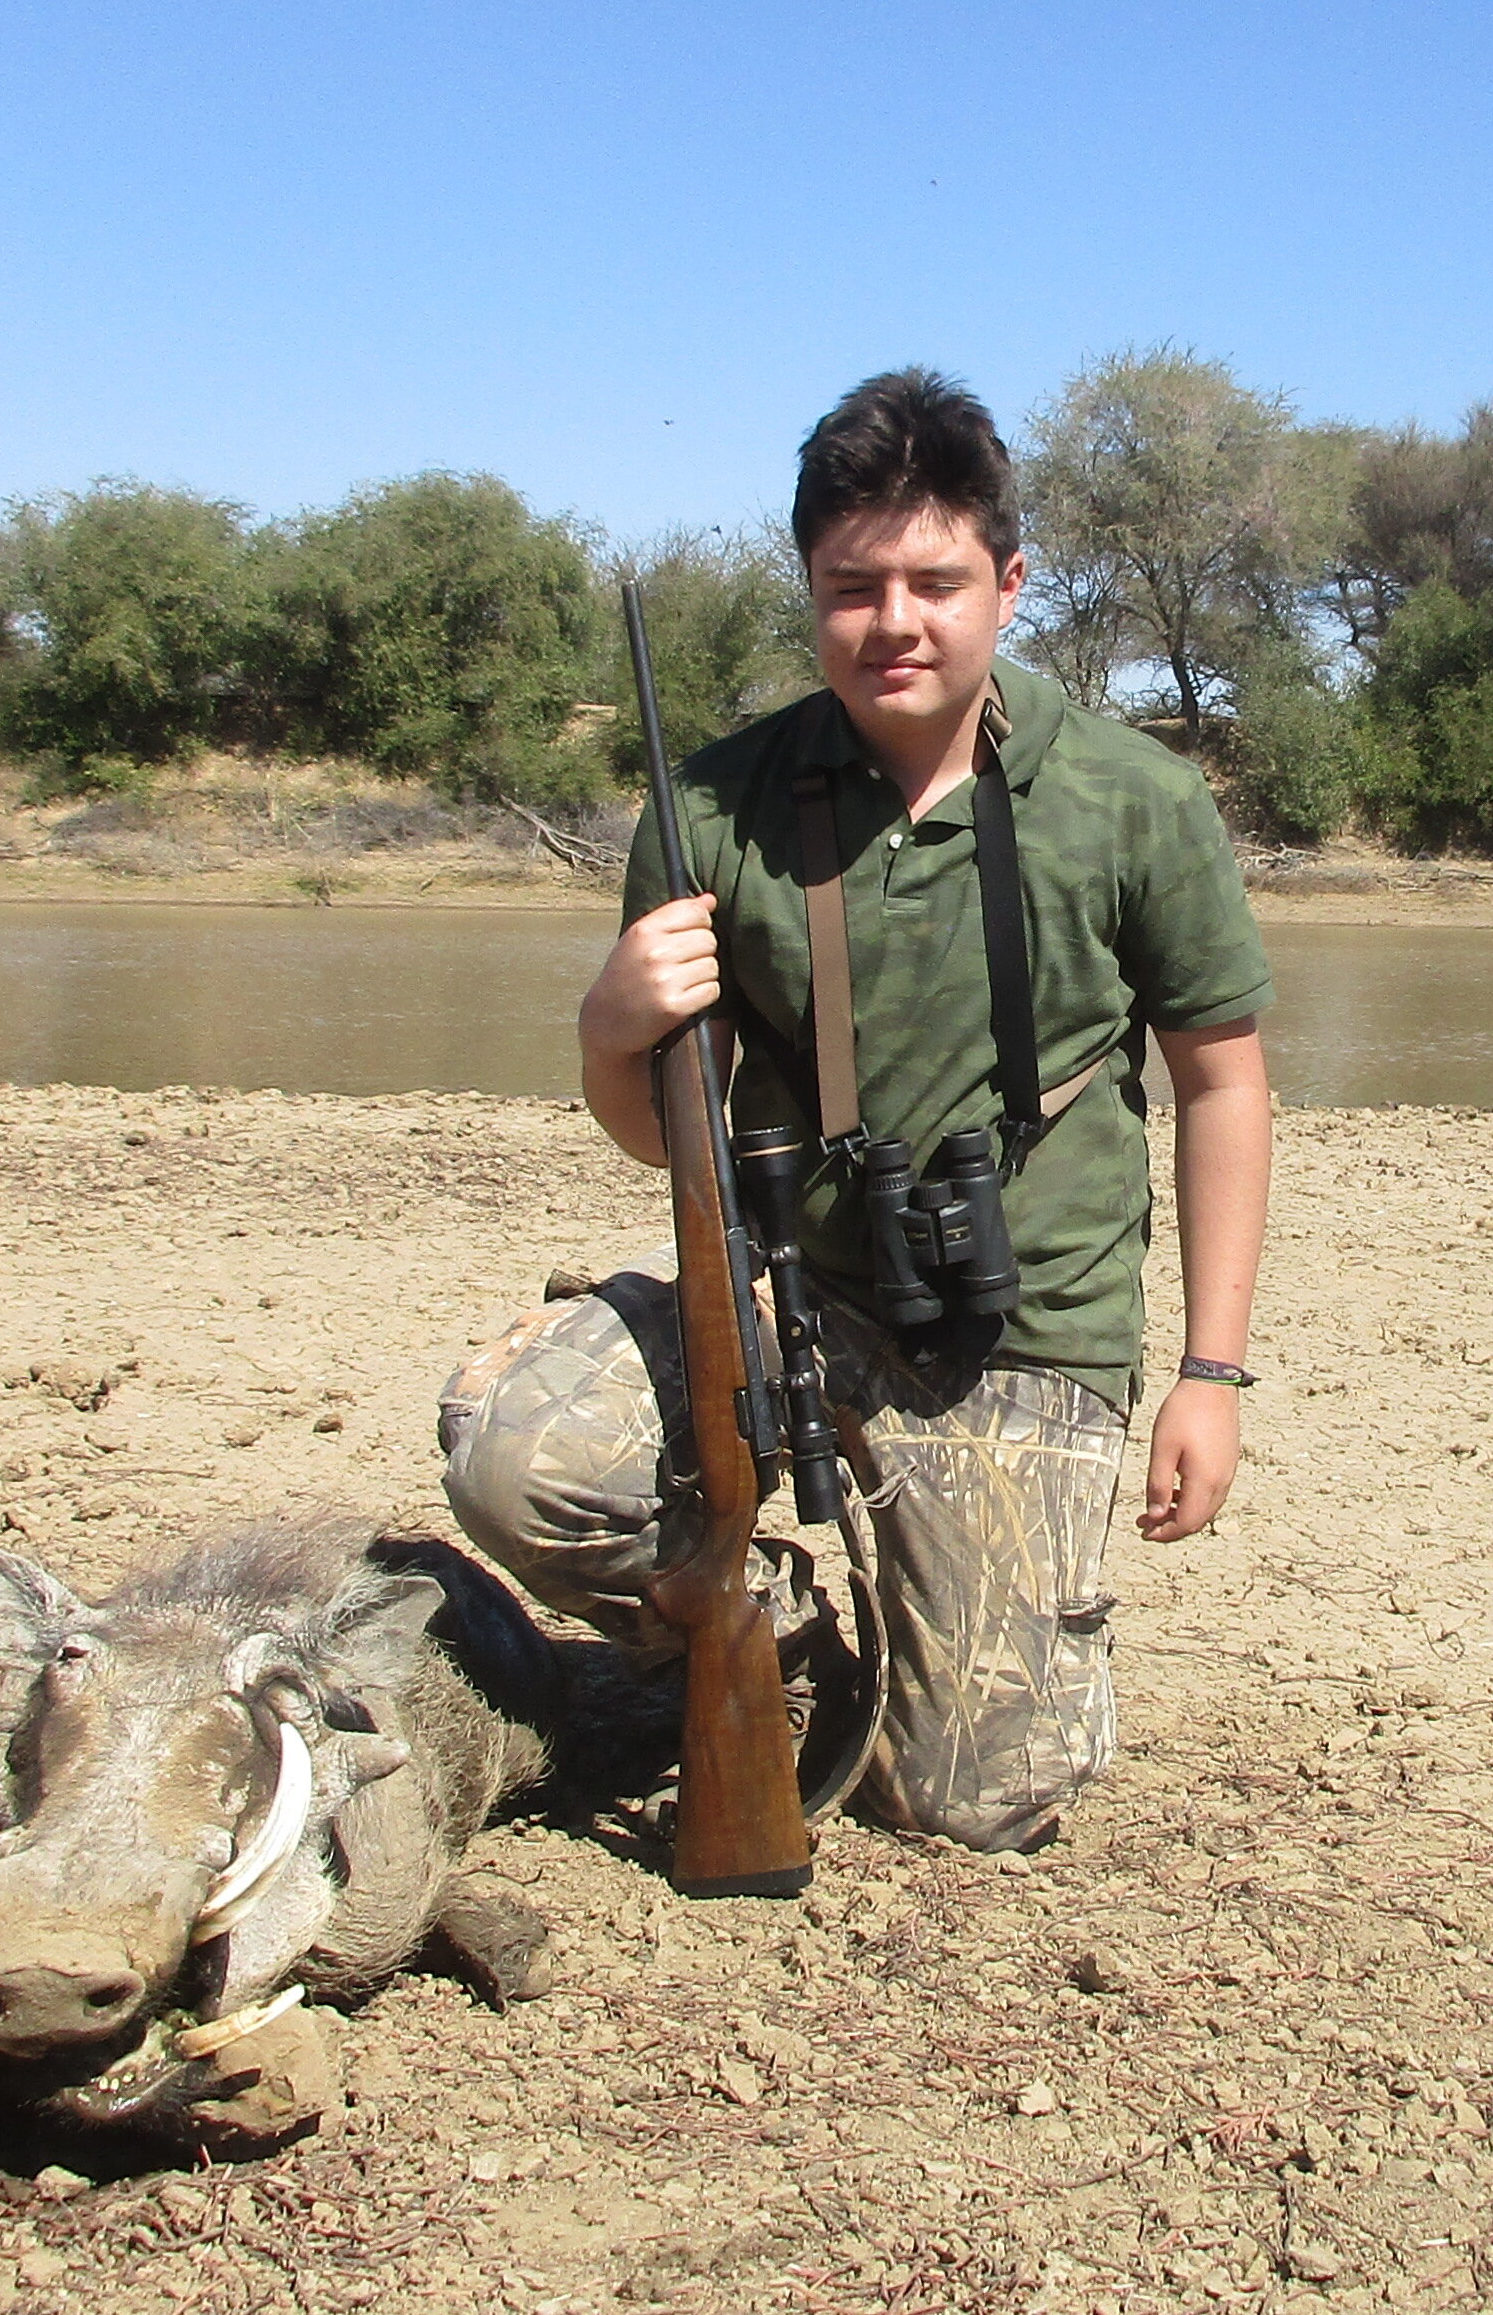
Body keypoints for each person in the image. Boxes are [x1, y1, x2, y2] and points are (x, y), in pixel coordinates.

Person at [437, 370, 1274, 1851]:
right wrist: (606, 1028)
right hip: (785, 1305)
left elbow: (1223, 1082)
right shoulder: (707, 808)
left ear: (1010, 587)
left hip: (1024, 1325)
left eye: (937, 582)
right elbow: (663, 1139)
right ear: (808, 589)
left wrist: (1211, 1370)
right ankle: (769, 1626)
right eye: (854, 586)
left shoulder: (1139, 800)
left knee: (973, 1801)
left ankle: (918, 1650)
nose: (897, 622)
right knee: (517, 1458)